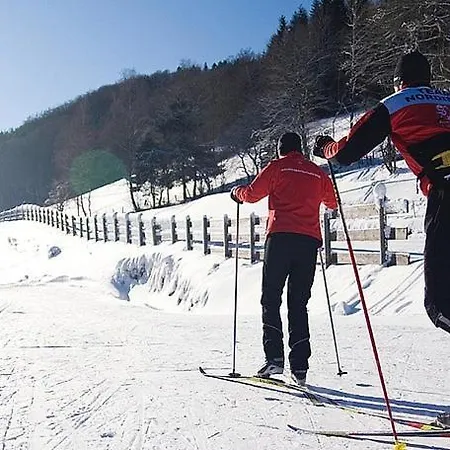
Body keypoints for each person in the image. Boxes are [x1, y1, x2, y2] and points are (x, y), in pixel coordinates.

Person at [313, 50, 450, 336]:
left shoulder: (395, 104)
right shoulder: (446, 98)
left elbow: (347, 152)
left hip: (444, 193)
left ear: (399, 81)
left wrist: (326, 148)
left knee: (440, 305)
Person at [230, 132, 337, 385]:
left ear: (280, 149)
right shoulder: (317, 173)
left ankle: (274, 359)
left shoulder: (277, 167)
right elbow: (333, 203)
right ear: (300, 149)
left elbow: (252, 194)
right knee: (298, 303)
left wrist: (237, 193)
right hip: (308, 242)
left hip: (280, 238)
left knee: (271, 298)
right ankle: (300, 367)